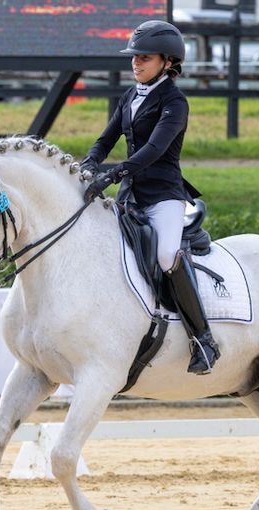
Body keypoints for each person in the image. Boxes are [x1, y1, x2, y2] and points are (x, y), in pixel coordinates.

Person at [81, 20, 220, 375]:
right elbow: (106, 137)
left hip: (163, 196)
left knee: (166, 254)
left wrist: (115, 172)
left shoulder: (175, 101)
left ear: (168, 61)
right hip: (130, 196)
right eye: (134, 56)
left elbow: (156, 148)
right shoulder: (130, 96)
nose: (136, 63)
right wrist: (90, 161)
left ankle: (203, 339)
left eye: (144, 57)